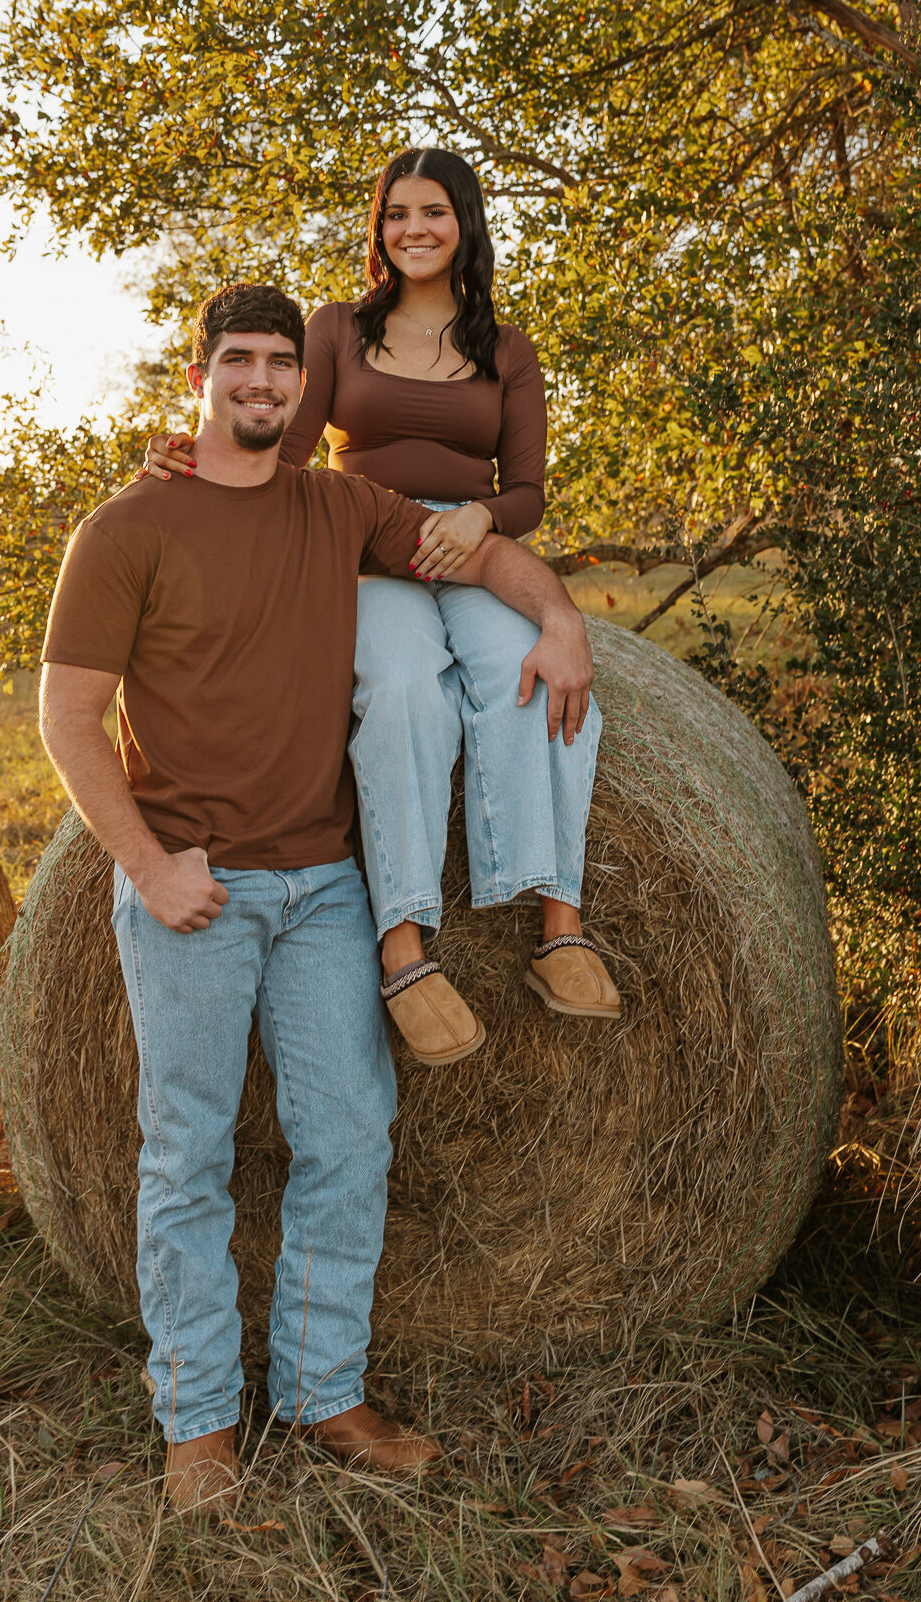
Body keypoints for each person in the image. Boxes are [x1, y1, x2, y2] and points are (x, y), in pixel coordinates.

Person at [38, 282, 596, 1515]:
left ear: (304, 386)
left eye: (279, 364)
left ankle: (320, 1388)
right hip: (195, 886)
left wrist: (556, 618)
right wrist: (148, 865)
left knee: (346, 1140)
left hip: (327, 888)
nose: (258, 380)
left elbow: (477, 545)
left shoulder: (335, 502)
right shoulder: (127, 526)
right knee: (185, 1153)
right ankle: (195, 1419)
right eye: (236, 360)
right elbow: (66, 714)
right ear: (199, 376)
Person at [142, 148, 618, 1068]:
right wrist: (193, 459)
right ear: (379, 228)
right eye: (395, 213)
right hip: (363, 543)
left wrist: (480, 516)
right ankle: (403, 947)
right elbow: (284, 445)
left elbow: (525, 491)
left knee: (544, 680)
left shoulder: (507, 350)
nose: (413, 230)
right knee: (401, 692)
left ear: (463, 222)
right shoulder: (335, 328)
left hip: (474, 545)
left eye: (432, 212)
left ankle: (558, 924)